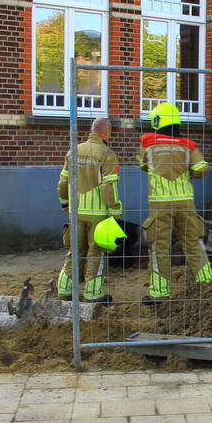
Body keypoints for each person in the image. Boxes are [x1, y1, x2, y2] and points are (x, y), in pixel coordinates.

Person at [138, 102, 212, 305]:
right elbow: (201, 169)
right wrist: (186, 171)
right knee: (193, 243)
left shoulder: (148, 144)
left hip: (160, 205)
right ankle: (207, 285)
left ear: (157, 121)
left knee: (159, 247)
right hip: (185, 203)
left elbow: (143, 165)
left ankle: (159, 293)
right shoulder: (188, 146)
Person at [55, 117, 122, 303]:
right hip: (98, 215)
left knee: (74, 251)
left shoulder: (73, 151)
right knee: (96, 253)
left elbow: (62, 182)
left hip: (76, 213)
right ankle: (93, 294)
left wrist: (64, 203)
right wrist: (115, 211)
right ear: (107, 132)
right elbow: (109, 187)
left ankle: (64, 291)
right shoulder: (107, 154)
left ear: (92, 131)